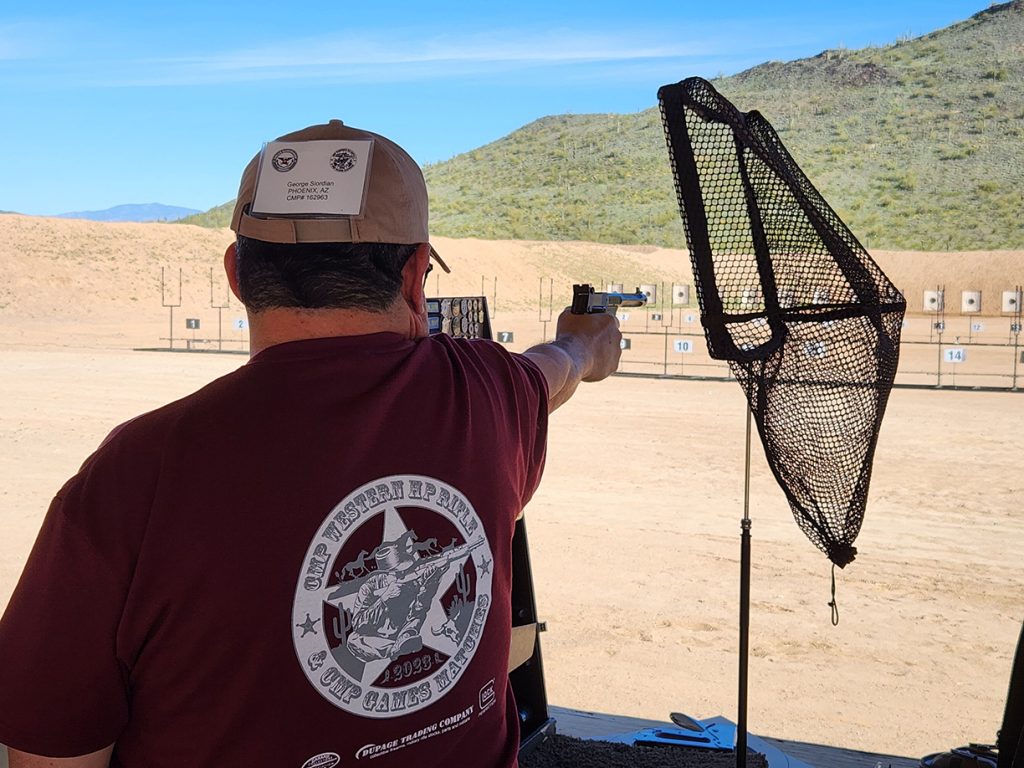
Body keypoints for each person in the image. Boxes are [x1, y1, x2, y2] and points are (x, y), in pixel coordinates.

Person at [0, 119, 622, 767]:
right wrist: (587, 341)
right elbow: (558, 367)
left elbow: (52, 753)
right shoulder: (489, 387)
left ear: (237, 274)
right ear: (415, 276)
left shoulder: (134, 473)